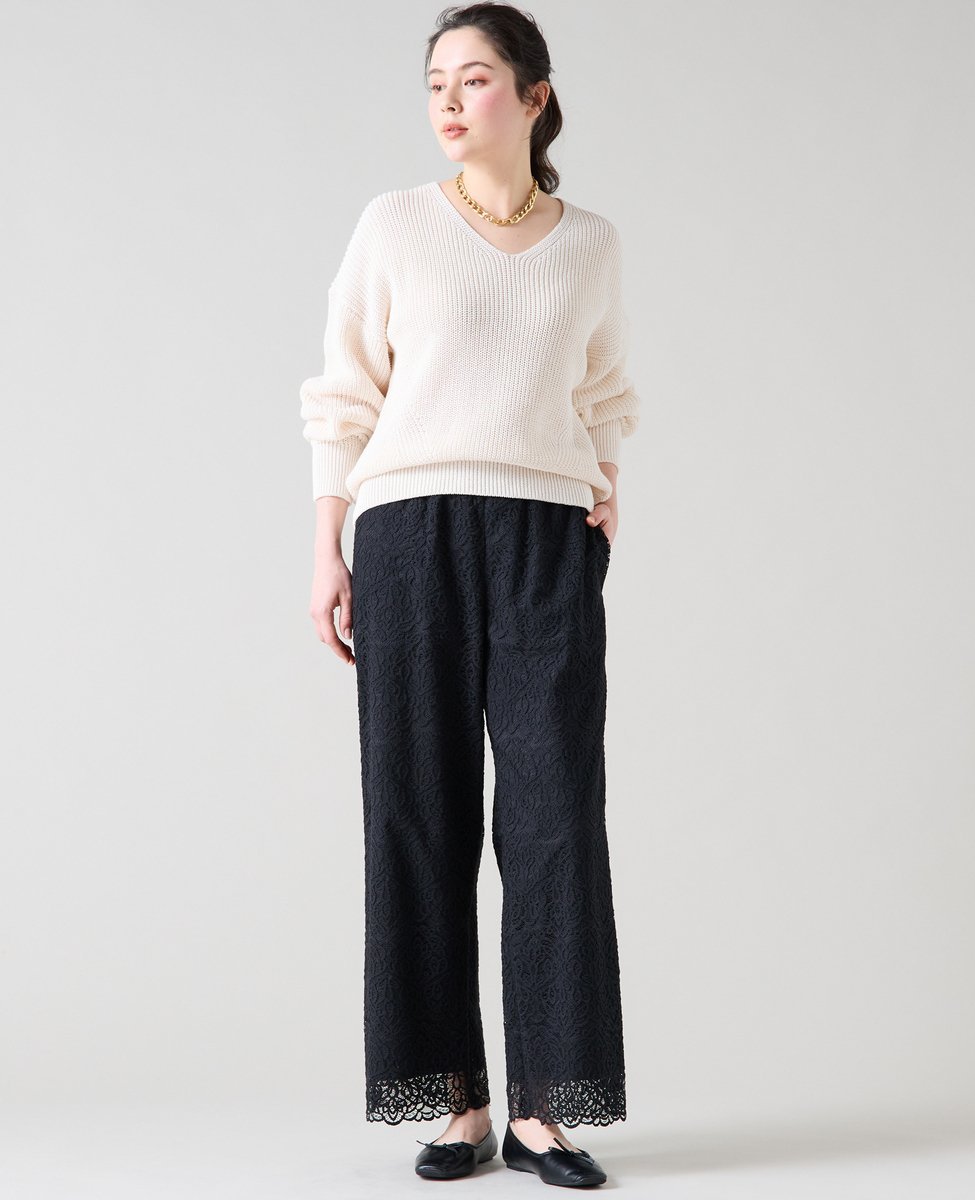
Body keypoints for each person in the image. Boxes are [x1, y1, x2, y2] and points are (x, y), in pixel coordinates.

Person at [299, 3, 640, 1187]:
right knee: (416, 809)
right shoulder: (394, 224)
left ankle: (545, 1109)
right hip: (409, 533)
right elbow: (344, 391)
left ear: (535, 96)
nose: (449, 100)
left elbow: (603, 390)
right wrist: (328, 548)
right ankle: (455, 1101)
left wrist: (606, 486)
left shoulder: (590, 243)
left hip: (546, 536)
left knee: (555, 816)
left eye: (476, 78)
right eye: (436, 81)